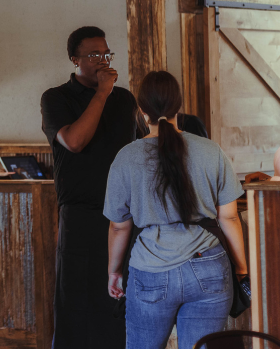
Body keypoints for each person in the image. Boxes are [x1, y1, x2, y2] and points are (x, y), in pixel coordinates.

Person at [105, 71, 247, 349]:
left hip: (150, 269)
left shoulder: (126, 157)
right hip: (209, 267)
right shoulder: (211, 151)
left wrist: (114, 272)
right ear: (179, 107)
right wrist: (241, 269)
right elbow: (229, 217)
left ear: (142, 111)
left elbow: (118, 225)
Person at [40, 26, 145, 349]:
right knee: (77, 302)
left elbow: (141, 148)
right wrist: (101, 92)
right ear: (75, 59)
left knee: (117, 301)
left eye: (106, 54)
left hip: (123, 215)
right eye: (93, 55)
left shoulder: (124, 98)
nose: (102, 61)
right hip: (82, 215)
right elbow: (74, 141)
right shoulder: (56, 98)